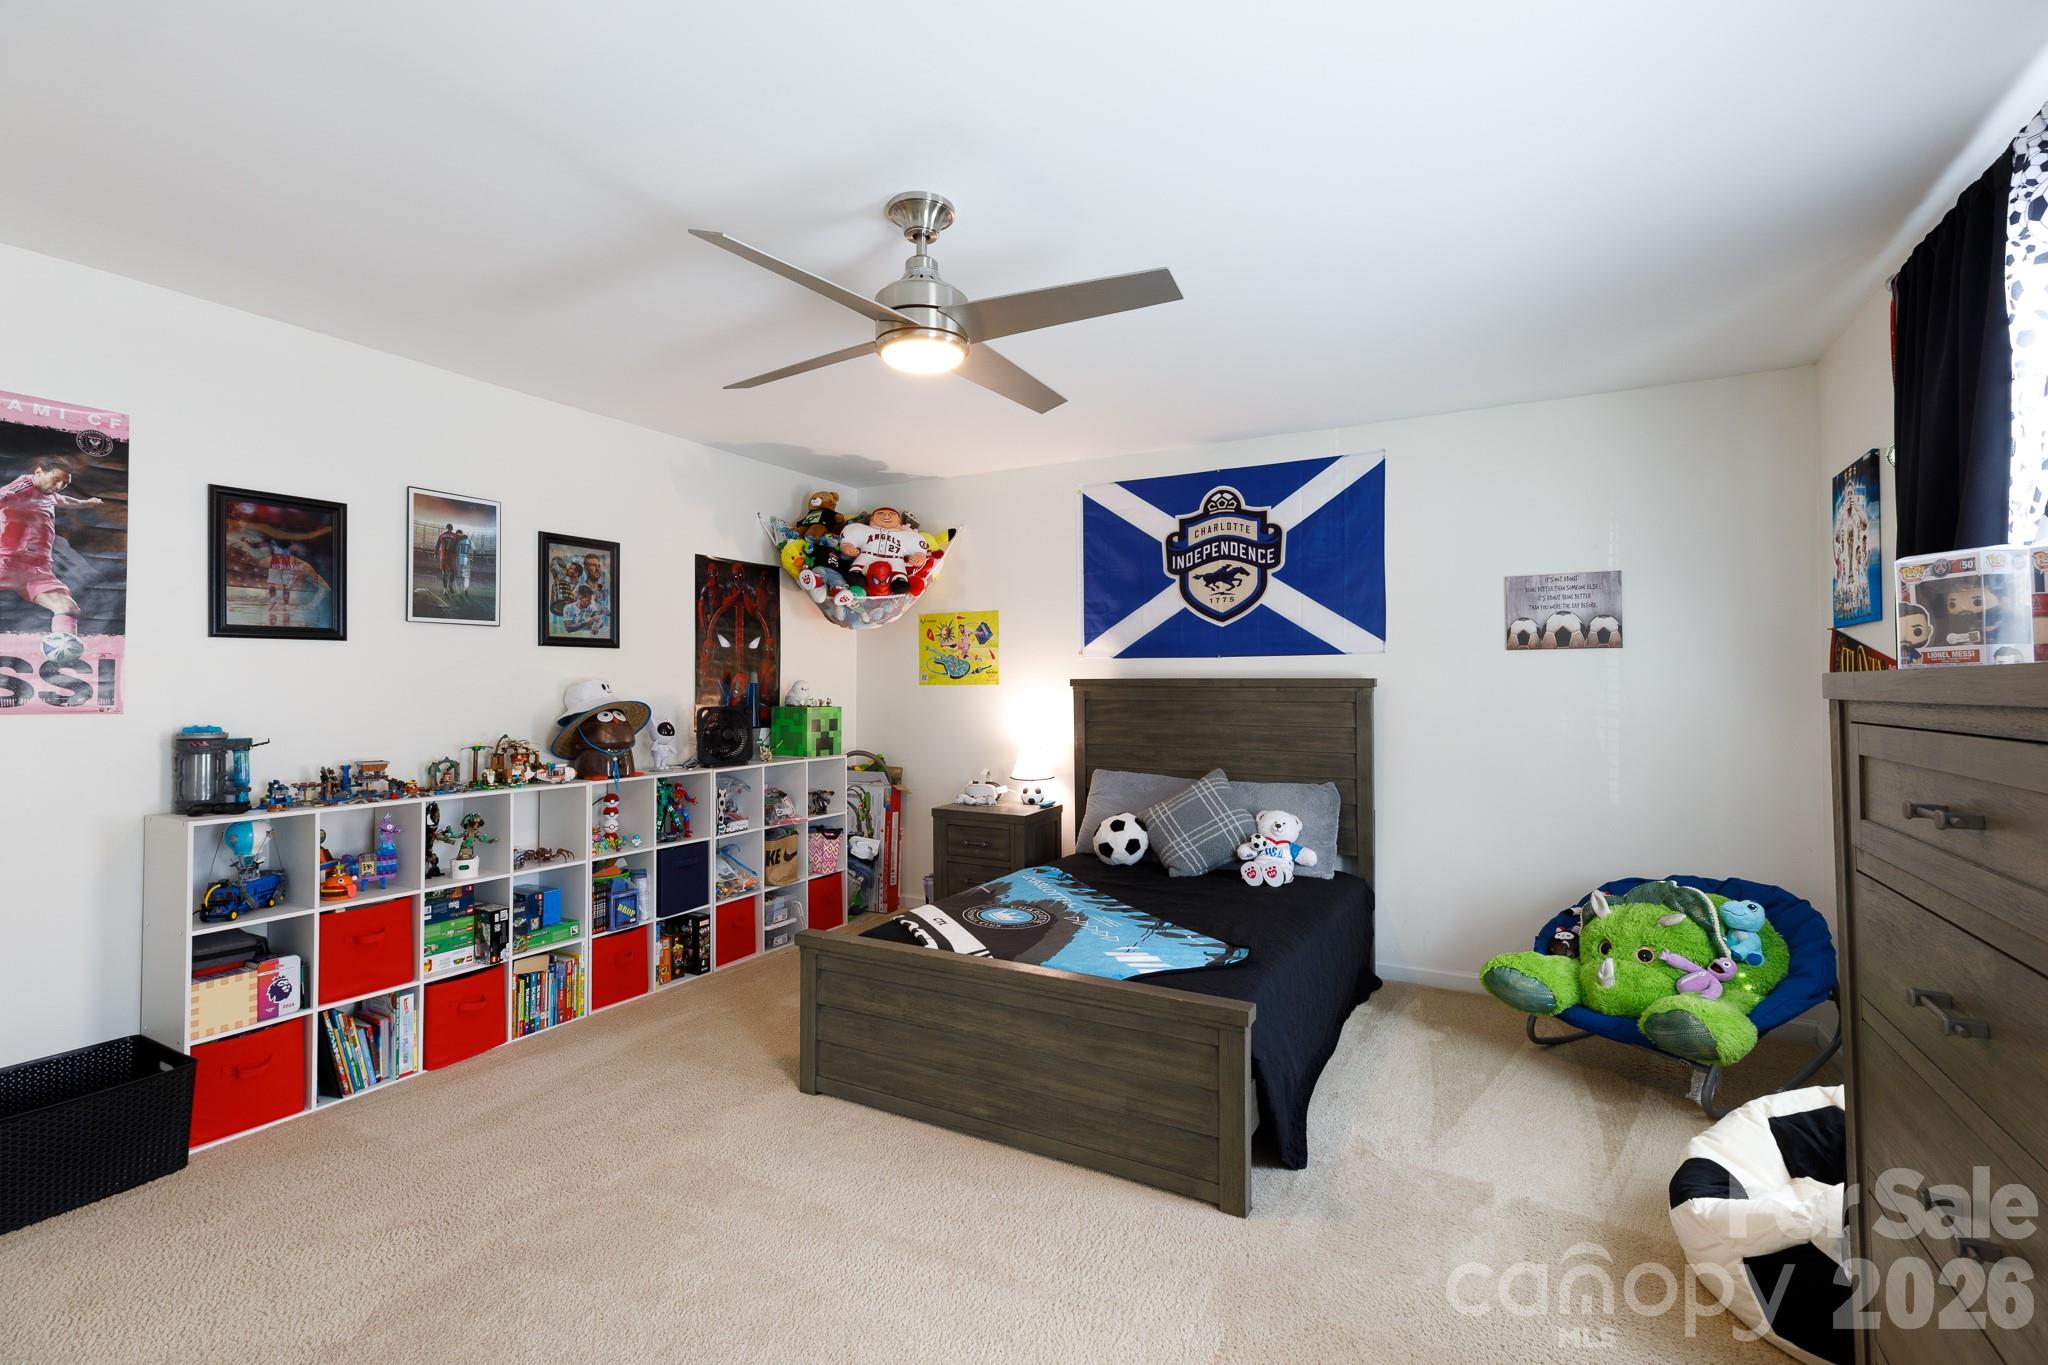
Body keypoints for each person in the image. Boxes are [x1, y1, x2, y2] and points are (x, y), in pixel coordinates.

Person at [0, 464, 102, 647]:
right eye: (56, 479)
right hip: (7, 562)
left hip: (38, 568)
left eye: (65, 483)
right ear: (39, 472)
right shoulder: (22, 488)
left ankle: (63, 653)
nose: (59, 485)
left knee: (67, 608)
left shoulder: (49, 494)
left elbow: (65, 500)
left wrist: (86, 503)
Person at [435, 522, 460, 595]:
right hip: (452, 557)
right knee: (453, 571)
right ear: (452, 529)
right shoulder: (455, 536)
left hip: (444, 556)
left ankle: (445, 590)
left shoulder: (441, 535)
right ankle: (450, 585)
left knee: (444, 573)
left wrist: (435, 554)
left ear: (446, 528)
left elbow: (437, 545)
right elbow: (458, 545)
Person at [454, 529, 474, 603]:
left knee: (458, 576)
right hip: (466, 559)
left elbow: (456, 551)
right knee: (466, 577)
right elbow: (474, 550)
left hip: (459, 559)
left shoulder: (459, 542)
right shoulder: (470, 541)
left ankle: (458, 591)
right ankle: (465, 589)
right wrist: (472, 558)